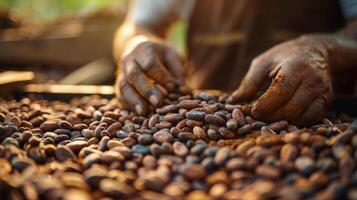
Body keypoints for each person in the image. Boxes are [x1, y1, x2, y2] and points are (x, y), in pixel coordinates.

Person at [113, 0, 357, 126]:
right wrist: (136, 42)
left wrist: (322, 48)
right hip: (202, 114)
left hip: (319, 116)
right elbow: (136, 25)